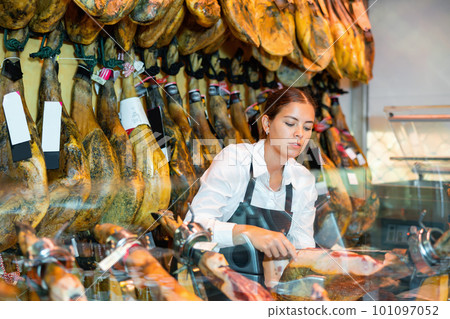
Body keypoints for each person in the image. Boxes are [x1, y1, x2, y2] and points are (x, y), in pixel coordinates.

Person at [184, 87, 318, 287]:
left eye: (307, 128)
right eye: (290, 123)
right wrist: (248, 233)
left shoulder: (302, 179)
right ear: (266, 123)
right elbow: (191, 230)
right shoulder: (235, 160)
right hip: (216, 290)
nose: (299, 134)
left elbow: (303, 248)